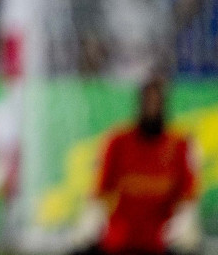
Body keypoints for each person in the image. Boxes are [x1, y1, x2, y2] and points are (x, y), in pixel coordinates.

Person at [75, 77, 201, 255]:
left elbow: (188, 198)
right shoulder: (117, 141)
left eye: (156, 102)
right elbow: (99, 193)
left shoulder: (180, 144)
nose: (152, 107)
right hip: (120, 237)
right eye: (148, 102)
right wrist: (88, 228)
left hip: (162, 238)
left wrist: (182, 229)